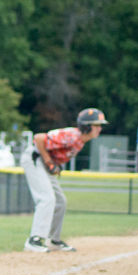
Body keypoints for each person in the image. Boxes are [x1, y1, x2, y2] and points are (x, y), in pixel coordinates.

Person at [21, 107, 108, 253]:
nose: (100, 128)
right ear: (86, 126)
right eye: (96, 125)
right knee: (47, 198)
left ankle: (53, 240)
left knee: (60, 201)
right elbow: (39, 138)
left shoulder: (81, 141)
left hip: (44, 162)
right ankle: (34, 240)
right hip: (35, 158)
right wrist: (49, 162)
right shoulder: (72, 136)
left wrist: (52, 163)